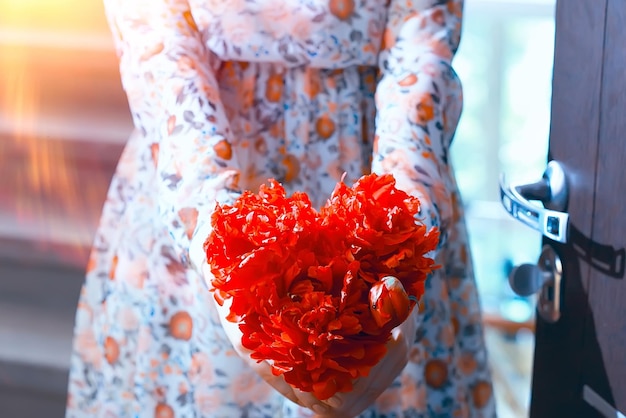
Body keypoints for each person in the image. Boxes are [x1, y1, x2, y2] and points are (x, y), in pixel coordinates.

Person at [66, 0, 496, 416]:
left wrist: (401, 248)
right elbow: (158, 40)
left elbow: (419, 52)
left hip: (375, 161)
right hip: (199, 162)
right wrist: (219, 248)